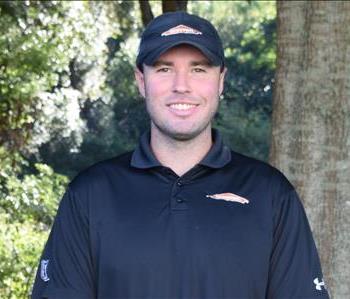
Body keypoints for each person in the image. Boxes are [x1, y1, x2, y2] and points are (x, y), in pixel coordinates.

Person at [31, 11, 330, 299]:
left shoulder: (271, 195)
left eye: (198, 69)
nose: (181, 86)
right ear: (141, 80)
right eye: (164, 69)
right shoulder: (90, 196)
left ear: (221, 80)